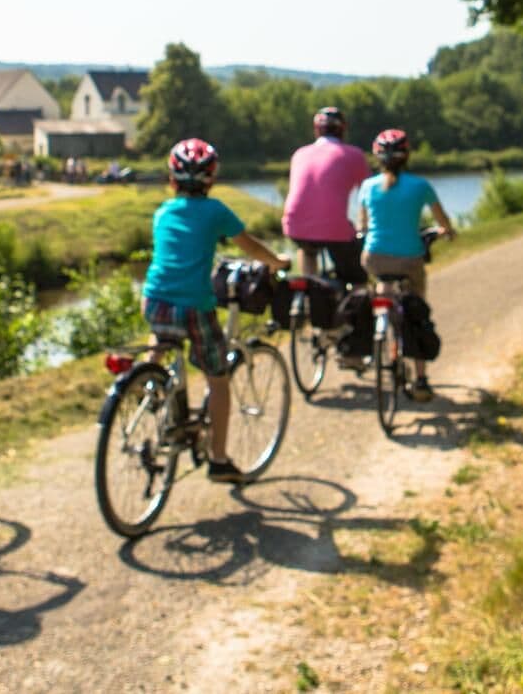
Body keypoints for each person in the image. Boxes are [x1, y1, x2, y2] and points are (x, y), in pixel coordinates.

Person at [143, 137, 290, 483]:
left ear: (172, 179)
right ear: (211, 179)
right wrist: (276, 261)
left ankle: (149, 381)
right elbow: (248, 244)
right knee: (218, 379)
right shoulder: (216, 211)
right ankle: (220, 460)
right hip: (195, 306)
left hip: (154, 301)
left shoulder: (162, 212)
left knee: (162, 335)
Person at [356, 129, 455, 402]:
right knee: (415, 312)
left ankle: (383, 329)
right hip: (410, 259)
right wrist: (447, 230)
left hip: (374, 258)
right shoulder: (420, 186)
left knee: (383, 291)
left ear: (377, 158)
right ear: (407, 156)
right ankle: (420, 378)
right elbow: (441, 217)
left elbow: (362, 225)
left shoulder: (367, 187)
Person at [282, 106, 372, 287]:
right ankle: (355, 298)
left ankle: (308, 291)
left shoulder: (299, 154)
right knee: (356, 277)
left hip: (295, 227)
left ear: (317, 130)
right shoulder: (354, 154)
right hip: (336, 230)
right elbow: (370, 194)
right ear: (343, 130)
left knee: (307, 250)